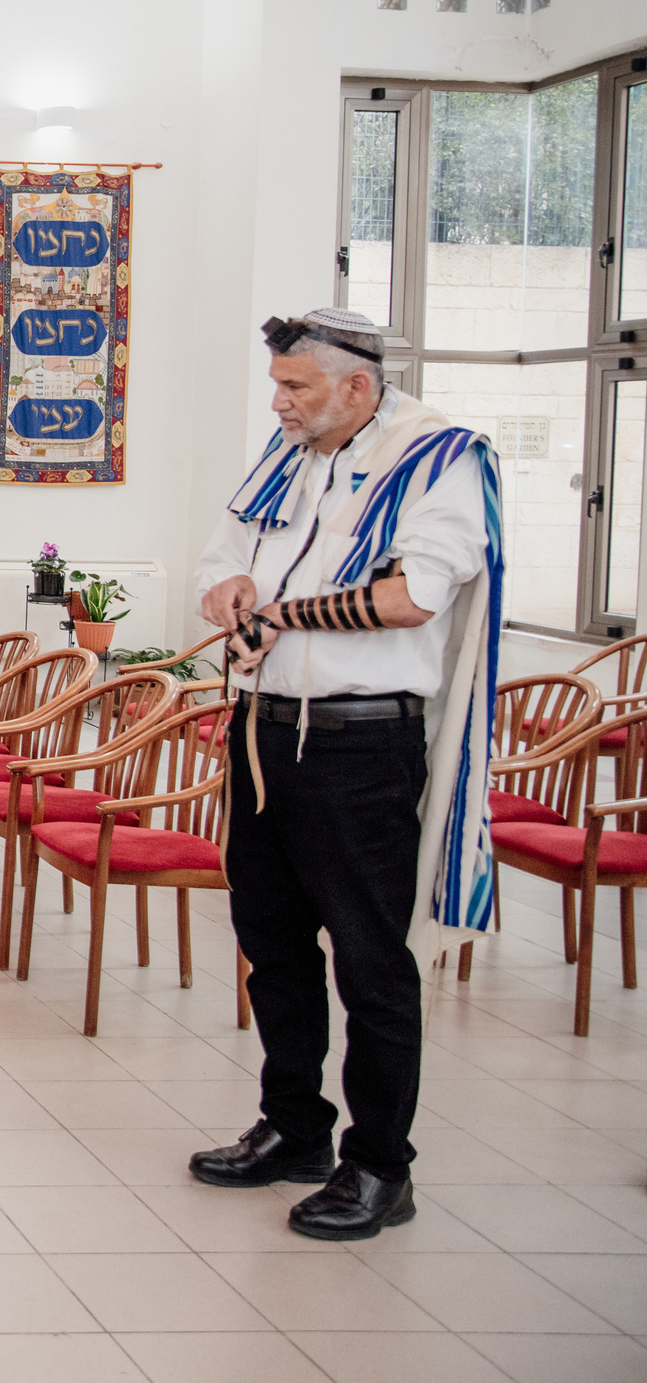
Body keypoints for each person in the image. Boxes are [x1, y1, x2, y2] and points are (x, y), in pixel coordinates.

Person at [188, 309, 501, 1240]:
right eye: (278, 384)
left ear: (357, 386)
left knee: (368, 958)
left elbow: (412, 596)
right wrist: (230, 590)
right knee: (270, 940)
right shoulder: (293, 454)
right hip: (266, 731)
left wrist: (286, 611)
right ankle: (294, 1125)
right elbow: (224, 553)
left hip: (360, 745)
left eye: (296, 387)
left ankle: (379, 1165)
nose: (278, 403)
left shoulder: (439, 457)